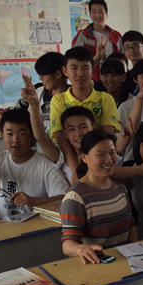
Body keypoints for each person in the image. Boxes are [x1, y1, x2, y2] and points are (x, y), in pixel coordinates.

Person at [0, 109, 69, 218]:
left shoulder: (45, 165)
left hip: (36, 227)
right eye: (10, 134)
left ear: (31, 136)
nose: (15, 140)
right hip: (4, 226)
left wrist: (34, 201)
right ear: (2, 136)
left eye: (22, 134)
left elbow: (65, 198)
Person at [60, 130, 137, 264]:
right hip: (95, 265)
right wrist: (79, 249)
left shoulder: (120, 188)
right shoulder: (75, 198)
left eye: (112, 153)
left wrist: (136, 252)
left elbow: (131, 225)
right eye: (101, 154)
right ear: (84, 158)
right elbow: (67, 243)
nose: (108, 160)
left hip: (125, 262)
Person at [50, 46, 121, 183]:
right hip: (71, 160)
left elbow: (106, 135)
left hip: (99, 159)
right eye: (74, 68)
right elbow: (60, 136)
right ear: (65, 71)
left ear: (93, 71)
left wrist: (90, 165)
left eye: (85, 68)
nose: (80, 73)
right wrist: (75, 169)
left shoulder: (105, 99)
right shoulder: (58, 100)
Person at [15, 52, 68, 140]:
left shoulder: (74, 95)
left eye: (42, 76)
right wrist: (25, 101)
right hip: (40, 146)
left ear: (57, 74)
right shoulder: (38, 93)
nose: (40, 79)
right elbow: (18, 117)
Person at [72, 0, 123, 81]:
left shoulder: (116, 36)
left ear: (106, 14)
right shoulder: (82, 36)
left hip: (114, 82)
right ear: (90, 15)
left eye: (101, 12)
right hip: (91, 82)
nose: (98, 15)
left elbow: (123, 60)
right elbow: (77, 63)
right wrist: (97, 57)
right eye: (94, 12)